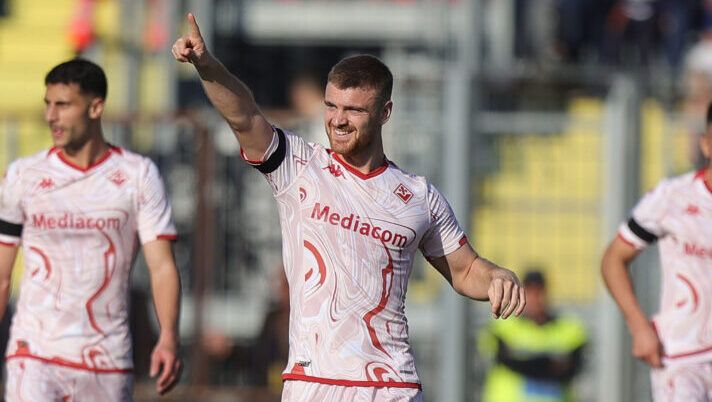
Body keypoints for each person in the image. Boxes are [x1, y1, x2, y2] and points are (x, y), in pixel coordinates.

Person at [172, 13, 526, 401]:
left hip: (392, 385)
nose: (338, 120)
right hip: (315, 385)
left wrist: (497, 276)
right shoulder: (299, 167)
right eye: (331, 106)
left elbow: (466, 269)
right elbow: (244, 116)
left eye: (353, 110)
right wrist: (207, 66)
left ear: (384, 113)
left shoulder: (418, 195)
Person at [0, 58, 182, 401]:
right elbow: (2, 274)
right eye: (48, 104)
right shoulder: (23, 176)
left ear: (96, 107)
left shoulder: (138, 175)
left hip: (106, 357)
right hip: (34, 351)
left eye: (63, 105)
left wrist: (169, 336)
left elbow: (162, 266)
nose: (51, 116)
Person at [601, 102, 712, 401]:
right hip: (681, 358)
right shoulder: (673, 197)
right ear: (706, 143)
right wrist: (639, 326)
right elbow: (614, 259)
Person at [478, 270, 588, 402]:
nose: (535, 299)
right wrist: (548, 363)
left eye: (539, 292)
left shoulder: (569, 329)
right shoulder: (503, 327)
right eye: (530, 293)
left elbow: (574, 367)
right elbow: (504, 359)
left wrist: (527, 360)